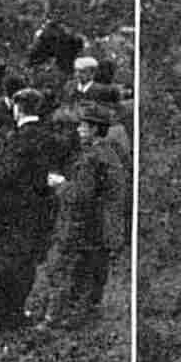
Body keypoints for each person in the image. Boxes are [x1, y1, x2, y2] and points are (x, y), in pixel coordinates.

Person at [0, 89, 66, 332]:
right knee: (25, 262)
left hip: (12, 209)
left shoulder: (20, 137)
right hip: (37, 207)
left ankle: (4, 315)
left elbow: (9, 173)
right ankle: (15, 310)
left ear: (17, 108)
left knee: (7, 262)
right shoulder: (47, 136)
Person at [43, 101, 130, 330]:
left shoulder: (91, 157)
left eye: (83, 126)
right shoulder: (109, 152)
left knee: (67, 269)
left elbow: (80, 196)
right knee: (92, 273)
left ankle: (61, 317)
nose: (79, 130)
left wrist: (60, 184)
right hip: (104, 225)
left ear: (94, 129)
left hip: (87, 224)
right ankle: (84, 315)